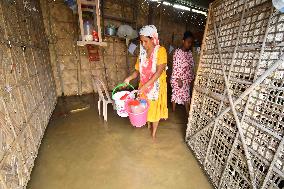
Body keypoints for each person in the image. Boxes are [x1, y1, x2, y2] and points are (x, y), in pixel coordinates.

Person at [124, 25, 168, 139]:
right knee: (144, 107)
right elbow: (137, 71)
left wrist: (145, 86)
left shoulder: (161, 51)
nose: (143, 44)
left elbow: (158, 72)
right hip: (143, 86)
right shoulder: (142, 54)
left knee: (154, 110)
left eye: (146, 41)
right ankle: (148, 125)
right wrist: (129, 78)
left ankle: (153, 135)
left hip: (155, 87)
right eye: (141, 41)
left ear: (153, 39)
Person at [171, 31, 195, 114]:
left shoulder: (190, 53)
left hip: (186, 78)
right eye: (188, 42)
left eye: (191, 43)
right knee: (176, 94)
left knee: (186, 95)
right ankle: (174, 111)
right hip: (178, 78)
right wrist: (178, 79)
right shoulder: (177, 52)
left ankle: (188, 113)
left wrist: (191, 78)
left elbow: (191, 66)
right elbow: (175, 68)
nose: (189, 44)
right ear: (183, 41)